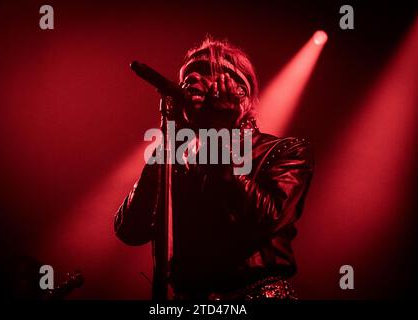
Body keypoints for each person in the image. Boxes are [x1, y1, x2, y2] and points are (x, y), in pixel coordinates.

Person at [114, 37, 314, 300]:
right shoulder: (177, 158)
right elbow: (130, 230)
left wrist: (217, 132)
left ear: (239, 90)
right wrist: (166, 147)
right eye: (187, 76)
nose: (191, 79)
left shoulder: (284, 151)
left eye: (206, 71)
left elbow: (263, 219)